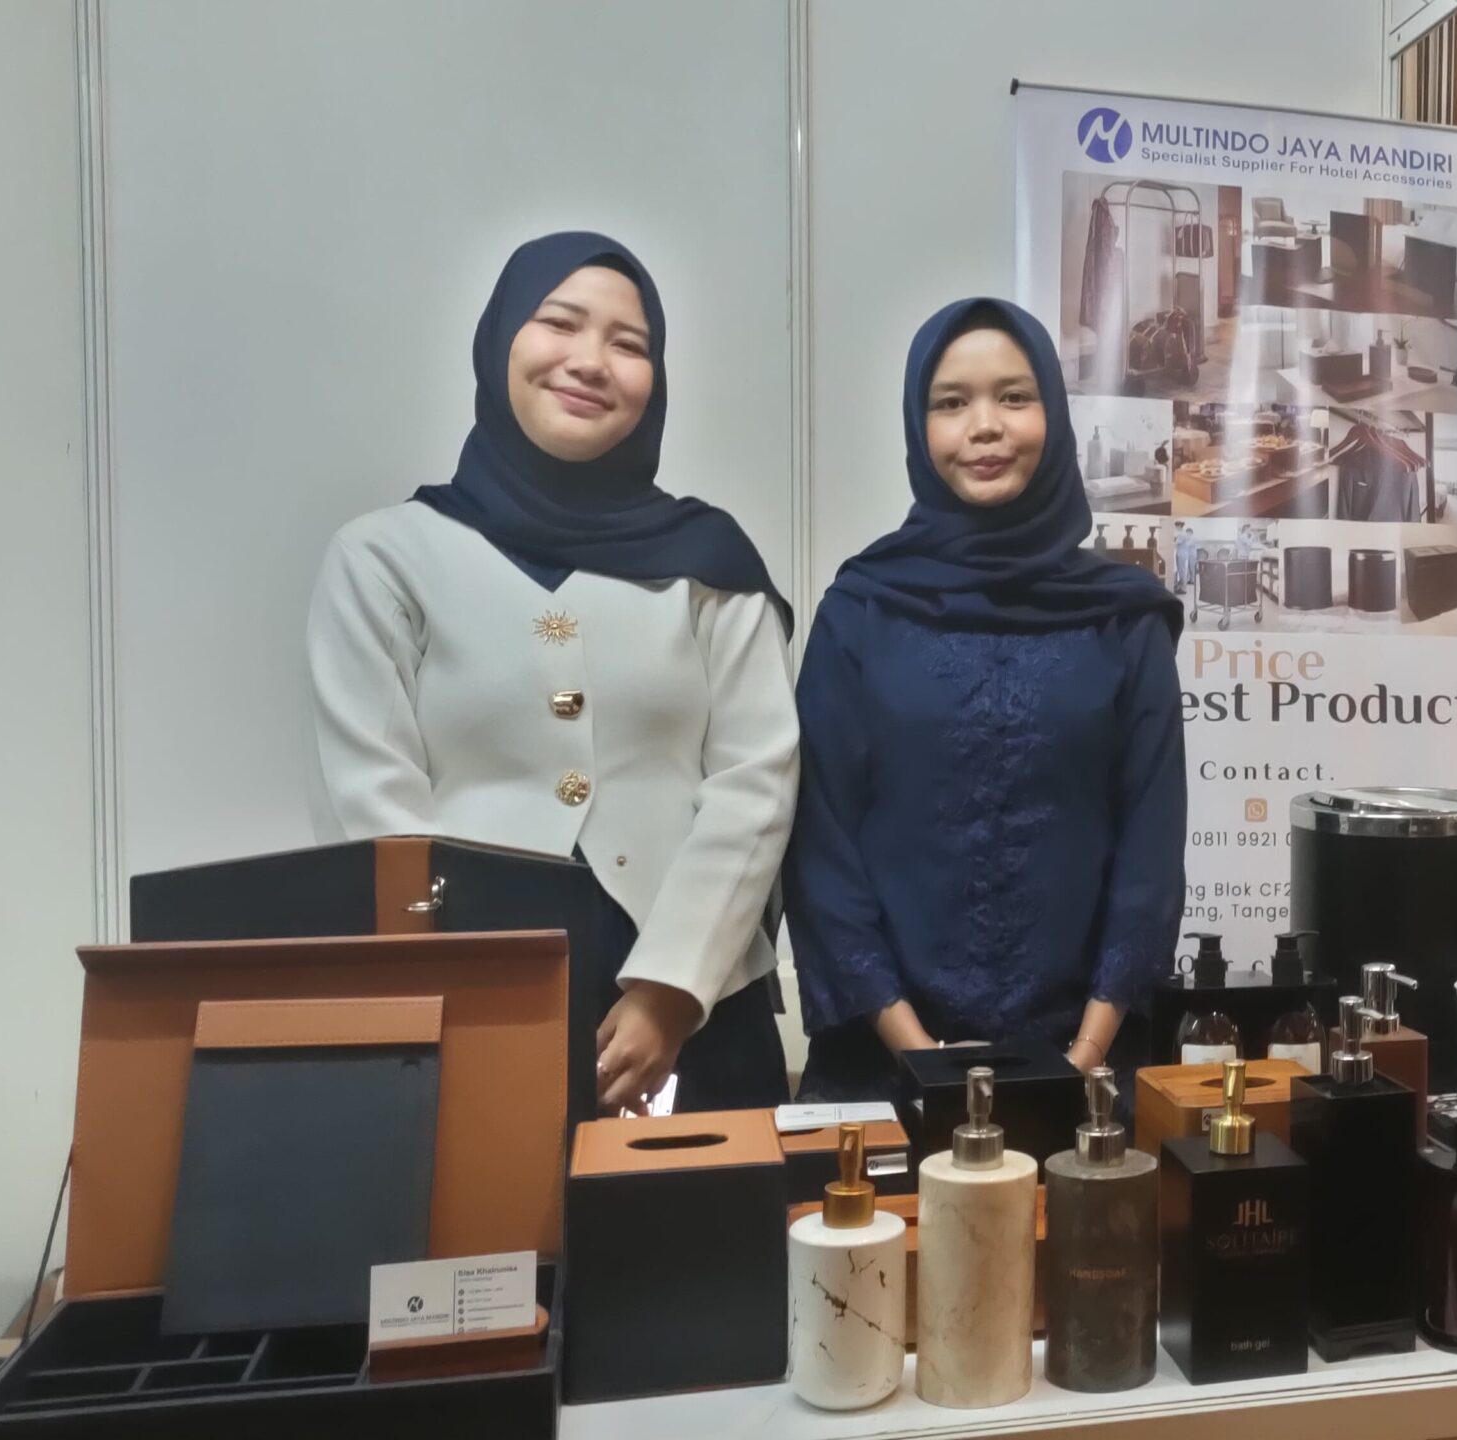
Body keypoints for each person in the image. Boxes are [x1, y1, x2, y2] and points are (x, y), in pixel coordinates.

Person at [308, 232, 799, 1120]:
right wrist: (457, 996)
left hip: (700, 1011)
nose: (590, 361)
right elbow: (375, 802)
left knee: (708, 1215)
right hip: (471, 1008)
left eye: (628, 344)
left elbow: (757, 781)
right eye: (559, 323)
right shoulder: (384, 559)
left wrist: (670, 990)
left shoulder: (711, 561)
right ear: (501, 342)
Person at [786, 297, 1188, 1101]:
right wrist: (920, 1058)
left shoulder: (1123, 617)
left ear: (1054, 415)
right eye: (951, 403)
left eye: (1014, 397)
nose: (984, 427)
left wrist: (1082, 1057)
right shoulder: (860, 611)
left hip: (1088, 1073)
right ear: (918, 425)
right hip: (886, 1068)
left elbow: (1150, 846)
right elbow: (822, 846)